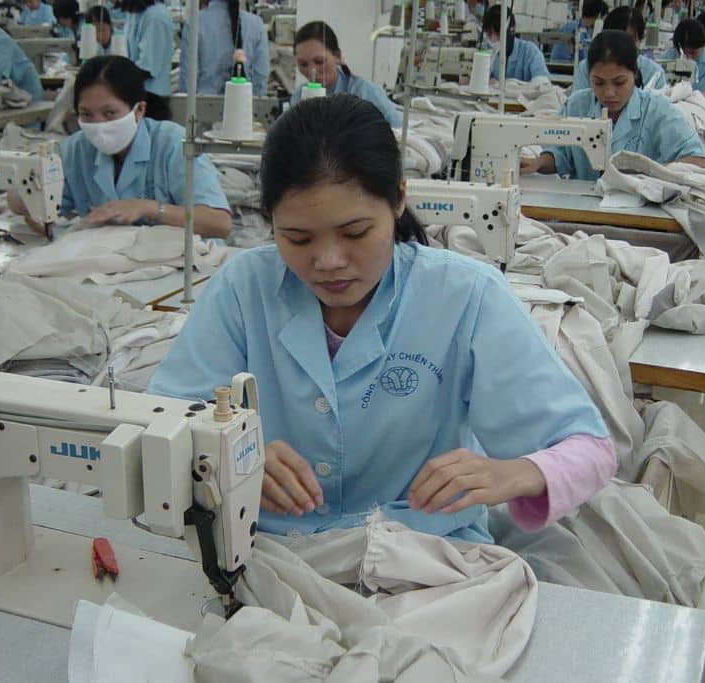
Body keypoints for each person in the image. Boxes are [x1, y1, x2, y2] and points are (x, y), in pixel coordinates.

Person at [148, 94, 615, 542]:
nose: (328, 261)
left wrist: (515, 472)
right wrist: (230, 454)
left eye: (355, 232)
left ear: (397, 200)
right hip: (265, 545)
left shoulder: (465, 298)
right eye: (298, 239)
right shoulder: (243, 289)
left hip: (421, 555)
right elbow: (164, 418)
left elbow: (589, 448)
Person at [8, 56, 231, 237]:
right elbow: (48, 208)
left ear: (139, 110)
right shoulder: (77, 149)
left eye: (109, 113)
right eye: (86, 114)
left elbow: (219, 223)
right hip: (110, 267)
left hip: (177, 268)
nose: (98, 125)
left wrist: (149, 208)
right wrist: (27, 201)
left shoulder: (172, 142)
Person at [522, 31, 705, 181]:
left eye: (619, 82)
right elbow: (561, 154)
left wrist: (651, 174)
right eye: (599, 83)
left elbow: (700, 161)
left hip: (641, 208)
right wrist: (539, 162)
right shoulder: (577, 105)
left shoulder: (658, 110)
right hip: (585, 206)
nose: (609, 93)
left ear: (634, 74)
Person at [290, 21, 402, 128]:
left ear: (337, 56)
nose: (311, 71)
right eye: (303, 64)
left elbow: (399, 130)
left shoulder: (365, 93)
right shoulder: (299, 96)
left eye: (319, 61)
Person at [179, 0, 270, 96]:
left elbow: (188, 80)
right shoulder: (256, 24)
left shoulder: (194, 23)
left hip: (203, 106)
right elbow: (261, 76)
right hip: (245, 105)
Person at [572, 6, 666, 92]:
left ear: (640, 39)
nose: (621, 46)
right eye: (615, 39)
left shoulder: (654, 73)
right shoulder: (586, 69)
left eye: (628, 39)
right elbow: (577, 107)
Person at [121, 0, 174, 119]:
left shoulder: (156, 17)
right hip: (138, 94)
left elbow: (148, 67)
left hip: (153, 99)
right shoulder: (134, 14)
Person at [481, 4, 550, 82]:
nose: (493, 39)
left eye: (498, 33)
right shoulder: (486, 52)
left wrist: (509, 86)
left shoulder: (530, 52)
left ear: (511, 30)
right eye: (489, 34)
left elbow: (542, 85)